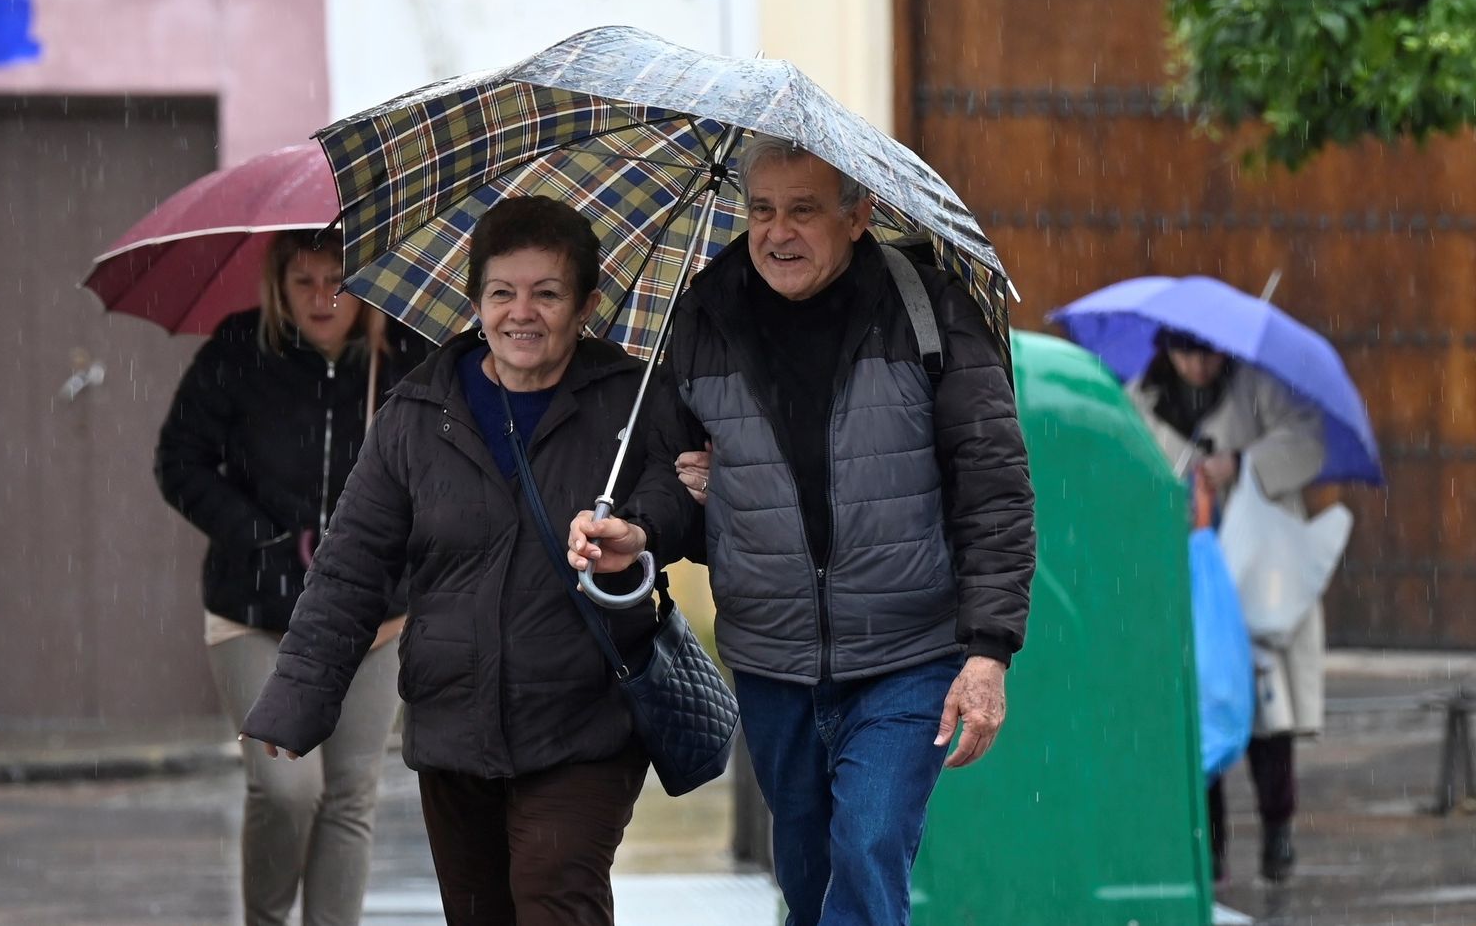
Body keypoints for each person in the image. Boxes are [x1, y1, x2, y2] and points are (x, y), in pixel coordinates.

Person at [569, 134, 1038, 925]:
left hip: (906, 650)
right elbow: (667, 478)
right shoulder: (704, 317)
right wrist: (641, 532)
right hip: (771, 655)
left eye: (803, 210)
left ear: (859, 216)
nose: (776, 232)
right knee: (807, 872)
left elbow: (993, 489)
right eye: (760, 210)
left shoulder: (930, 314)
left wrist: (988, 651)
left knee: (868, 845)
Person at [239, 196, 699, 926]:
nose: (523, 312)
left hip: (585, 718)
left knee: (556, 896)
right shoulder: (416, 414)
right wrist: (298, 697)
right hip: (455, 724)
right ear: (475, 301)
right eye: (502, 293)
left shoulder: (633, 399)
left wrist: (637, 531)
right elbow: (353, 568)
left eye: (547, 293)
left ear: (586, 303)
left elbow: (681, 495)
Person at [155, 228, 428, 926]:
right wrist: (264, 534)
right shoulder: (240, 349)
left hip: (375, 617)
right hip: (256, 612)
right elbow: (179, 460)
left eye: (338, 280)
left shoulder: (407, 359)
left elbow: (442, 475)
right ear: (278, 282)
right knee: (285, 786)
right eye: (303, 281)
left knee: (347, 794)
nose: (321, 298)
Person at [1128, 328, 1325, 884]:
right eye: (1186, 354)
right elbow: (1128, 468)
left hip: (1252, 569)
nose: (1197, 367)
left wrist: (1242, 463)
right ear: (1167, 350)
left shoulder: (1257, 389)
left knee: (1267, 707)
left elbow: (1307, 441)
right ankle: (1207, 845)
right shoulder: (1141, 400)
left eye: (1208, 353)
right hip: (1184, 570)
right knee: (1198, 707)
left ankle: (1277, 829)